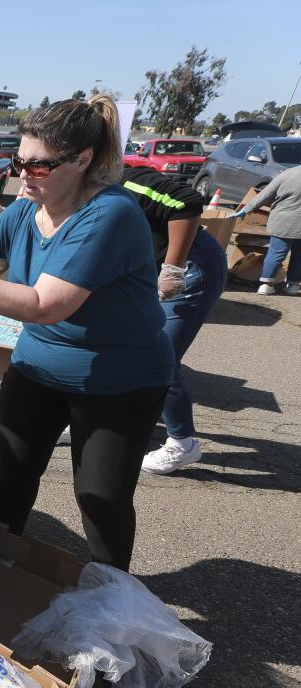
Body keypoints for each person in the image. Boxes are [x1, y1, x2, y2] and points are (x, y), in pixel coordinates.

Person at [0, 96, 173, 571]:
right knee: (16, 474)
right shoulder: (21, 212)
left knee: (100, 496)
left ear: (82, 160)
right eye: (18, 162)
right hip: (38, 366)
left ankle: (111, 596)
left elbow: (44, 305)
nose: (23, 175)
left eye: (39, 167)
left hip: (118, 380)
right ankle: (1, 561)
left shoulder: (110, 214)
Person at [118, 165, 228, 475]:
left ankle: (182, 444)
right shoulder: (70, 189)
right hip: (143, 269)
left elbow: (187, 202)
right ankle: (98, 419)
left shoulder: (124, 180)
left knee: (158, 358)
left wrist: (172, 269)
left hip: (189, 269)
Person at [233, 164, 301, 296]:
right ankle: (293, 285)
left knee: (275, 253)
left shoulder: (288, 173)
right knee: (299, 256)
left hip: (283, 222)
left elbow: (265, 194)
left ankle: (266, 285)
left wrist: (246, 209)